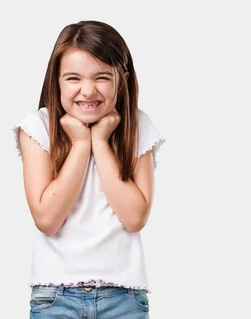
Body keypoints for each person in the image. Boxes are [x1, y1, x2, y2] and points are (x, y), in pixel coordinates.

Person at [12, 20, 164, 318]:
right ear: (56, 81)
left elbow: (135, 218)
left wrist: (101, 142)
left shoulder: (138, 125)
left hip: (124, 297)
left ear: (122, 79)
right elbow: (47, 219)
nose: (88, 90)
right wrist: (81, 145)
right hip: (55, 296)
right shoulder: (37, 128)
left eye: (102, 78)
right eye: (73, 78)